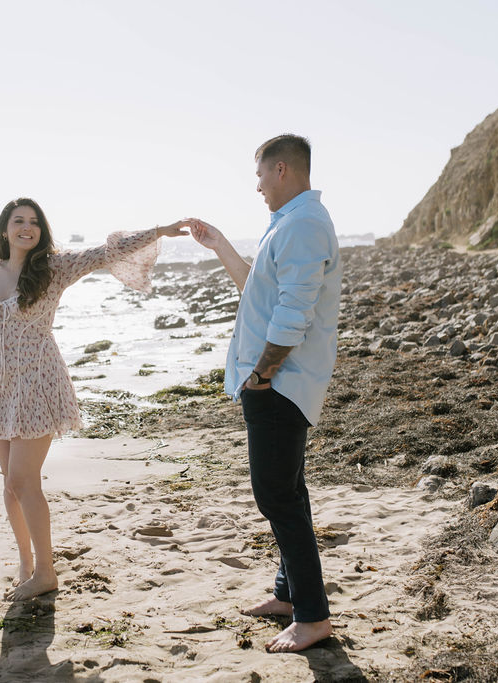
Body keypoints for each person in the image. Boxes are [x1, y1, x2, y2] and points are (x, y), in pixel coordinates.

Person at [0, 197, 190, 601]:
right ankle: (25, 563)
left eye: (34, 222)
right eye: (18, 221)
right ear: (4, 229)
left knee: (23, 480)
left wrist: (158, 231)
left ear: (41, 231)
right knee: (10, 484)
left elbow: (105, 253)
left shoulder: (52, 269)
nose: (27, 228)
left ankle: (46, 573)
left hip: (38, 381)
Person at [190, 134, 342, 653]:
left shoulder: (301, 225)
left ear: (281, 169)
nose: (256, 187)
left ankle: (314, 617)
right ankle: (289, 595)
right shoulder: (290, 223)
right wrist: (221, 246)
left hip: (281, 382)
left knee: (275, 495)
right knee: (288, 492)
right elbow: (258, 288)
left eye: (259, 176)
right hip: (276, 381)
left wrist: (262, 372)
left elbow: (293, 313)